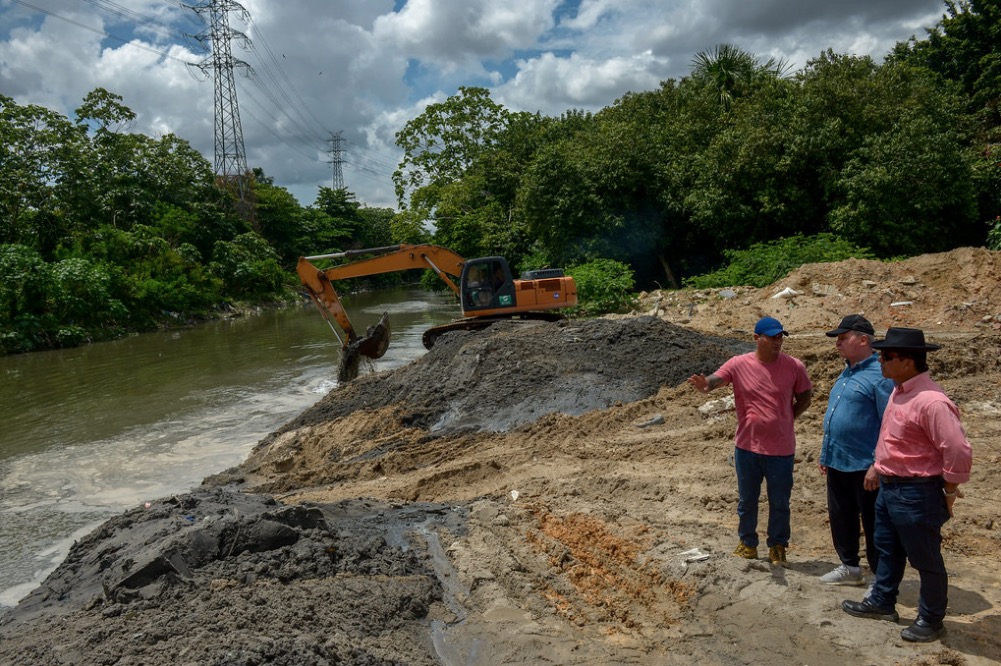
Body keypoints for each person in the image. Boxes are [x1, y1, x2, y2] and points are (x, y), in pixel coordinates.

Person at [841, 327, 973, 643]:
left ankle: (931, 618)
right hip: (891, 487)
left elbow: (957, 449)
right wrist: (878, 466)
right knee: (887, 549)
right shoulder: (899, 392)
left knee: (925, 558)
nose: (880, 361)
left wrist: (950, 490)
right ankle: (883, 601)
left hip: (917, 491)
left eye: (886, 356)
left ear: (908, 361)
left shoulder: (931, 401)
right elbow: (891, 438)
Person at [688, 316, 813, 566]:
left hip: (781, 449)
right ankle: (747, 544)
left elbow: (806, 398)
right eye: (772, 337)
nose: (778, 342)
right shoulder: (739, 364)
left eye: (781, 337)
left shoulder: (794, 366)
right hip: (747, 447)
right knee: (747, 500)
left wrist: (787, 418)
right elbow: (716, 380)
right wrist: (706, 386)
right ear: (757, 338)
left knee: (780, 502)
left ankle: (777, 546)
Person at [818, 315, 893, 586]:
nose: (837, 342)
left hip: (866, 465)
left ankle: (881, 580)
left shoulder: (881, 374)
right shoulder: (847, 371)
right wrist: (826, 453)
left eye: (843, 337)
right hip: (838, 460)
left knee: (875, 525)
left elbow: (890, 422)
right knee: (841, 517)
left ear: (863, 340)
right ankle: (850, 567)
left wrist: (879, 463)